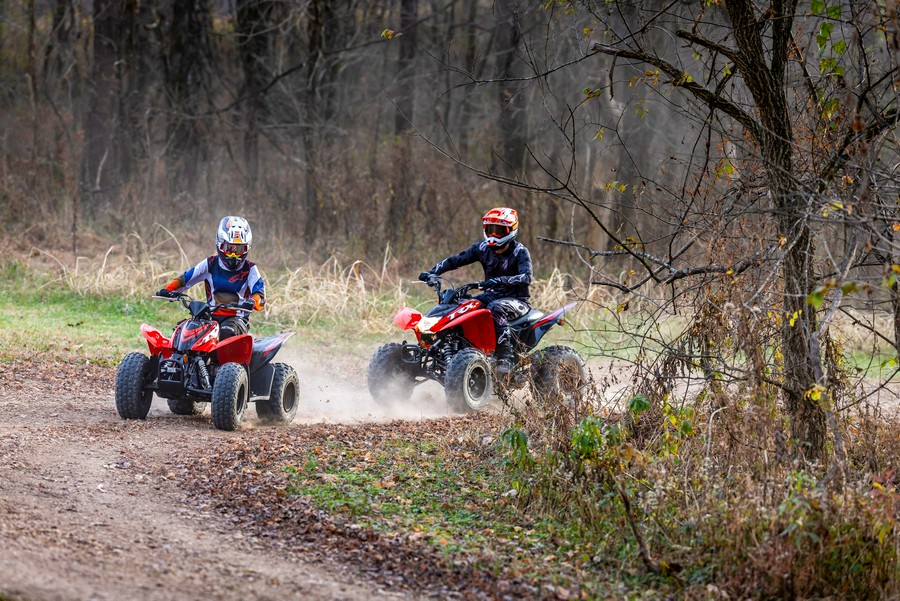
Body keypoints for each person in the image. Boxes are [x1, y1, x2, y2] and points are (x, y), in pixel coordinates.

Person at [418, 207, 532, 375]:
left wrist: (499, 280)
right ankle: (453, 349)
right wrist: (433, 272)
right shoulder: (483, 248)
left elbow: (526, 277)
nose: (494, 235)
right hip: (491, 295)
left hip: (517, 299)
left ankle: (504, 358)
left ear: (511, 230)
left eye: (500, 231)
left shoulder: (519, 251)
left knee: (495, 308)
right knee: (461, 306)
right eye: (490, 230)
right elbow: (456, 260)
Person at [156, 216, 266, 340]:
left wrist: (252, 301)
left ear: (247, 248)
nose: (234, 255)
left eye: (239, 249)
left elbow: (260, 294)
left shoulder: (250, 269)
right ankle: (177, 358)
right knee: (185, 329)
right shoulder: (210, 264)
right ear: (219, 246)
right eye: (229, 249)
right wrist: (169, 290)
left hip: (237, 320)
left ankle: (227, 359)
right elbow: (185, 279)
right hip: (210, 316)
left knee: (225, 333)